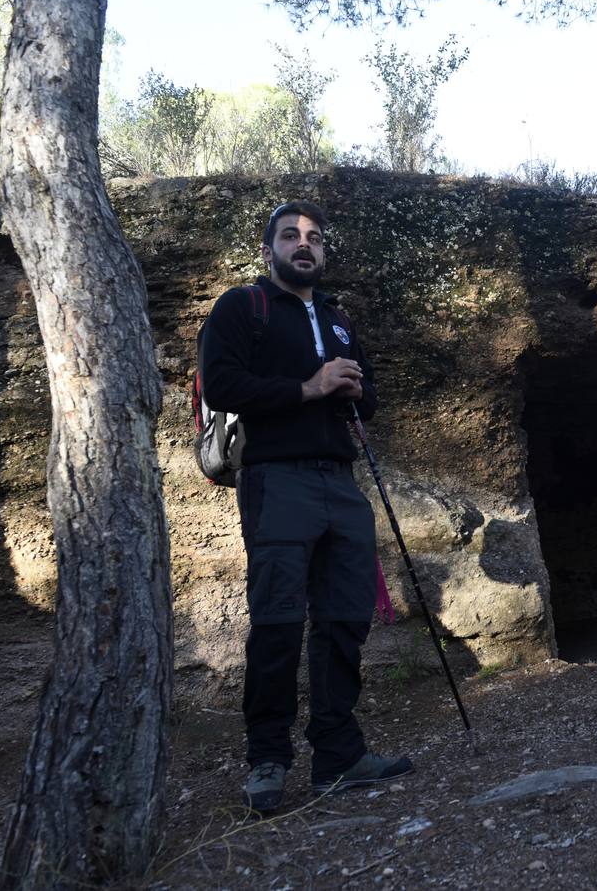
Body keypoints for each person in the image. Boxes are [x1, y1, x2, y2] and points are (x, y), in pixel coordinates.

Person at [200, 200, 412, 812]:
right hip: (276, 478)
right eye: (291, 235)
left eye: (315, 237)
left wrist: (352, 389)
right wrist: (309, 387)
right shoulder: (244, 307)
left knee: (346, 617)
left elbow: (367, 400)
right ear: (269, 249)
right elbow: (222, 385)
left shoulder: (340, 319)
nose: (305, 244)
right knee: (277, 621)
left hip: (339, 482)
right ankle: (267, 761)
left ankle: (338, 756)